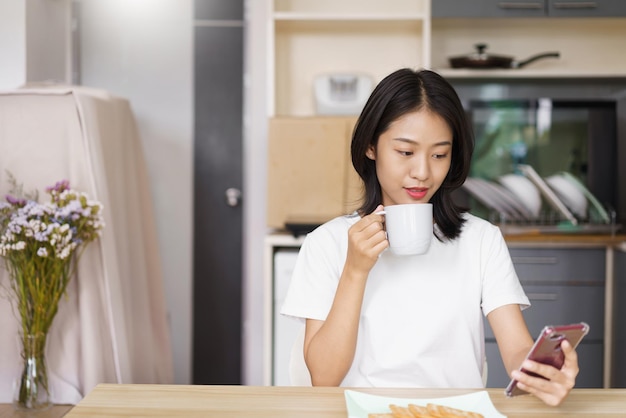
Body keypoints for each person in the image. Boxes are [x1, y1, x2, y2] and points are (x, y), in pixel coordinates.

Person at [280, 68, 579, 406]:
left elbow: (517, 352)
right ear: (370, 147)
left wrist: (545, 372)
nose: (423, 171)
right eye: (405, 152)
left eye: (439, 154)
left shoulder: (481, 240)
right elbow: (323, 377)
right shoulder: (328, 243)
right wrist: (355, 270)